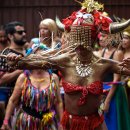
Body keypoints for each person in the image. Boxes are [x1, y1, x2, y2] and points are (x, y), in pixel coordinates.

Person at [2, 0, 130, 130]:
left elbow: (125, 70)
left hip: (96, 125)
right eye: (76, 39)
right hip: (69, 124)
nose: (79, 45)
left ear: (92, 40)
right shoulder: (64, 61)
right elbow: (34, 63)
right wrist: (17, 61)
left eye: (84, 40)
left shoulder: (103, 64)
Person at [1, 44, 63, 130]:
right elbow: (13, 101)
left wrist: (61, 123)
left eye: (43, 56)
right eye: (37, 56)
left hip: (47, 122)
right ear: (31, 58)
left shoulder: (53, 78)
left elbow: (58, 102)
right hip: (26, 122)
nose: (40, 59)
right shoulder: (24, 77)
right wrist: (6, 121)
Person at [96, 31, 130, 130]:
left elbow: (116, 79)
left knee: (113, 122)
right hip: (102, 90)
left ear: (112, 37)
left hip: (114, 92)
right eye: (100, 36)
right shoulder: (101, 52)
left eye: (104, 36)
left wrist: (107, 101)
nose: (101, 38)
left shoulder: (117, 53)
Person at [0, 21, 27, 127]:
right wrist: (24, 69)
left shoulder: (29, 51)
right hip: (12, 103)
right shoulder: (5, 55)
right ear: (10, 36)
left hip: (31, 102)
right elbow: (1, 80)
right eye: (20, 32)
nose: (24, 34)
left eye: (24, 31)